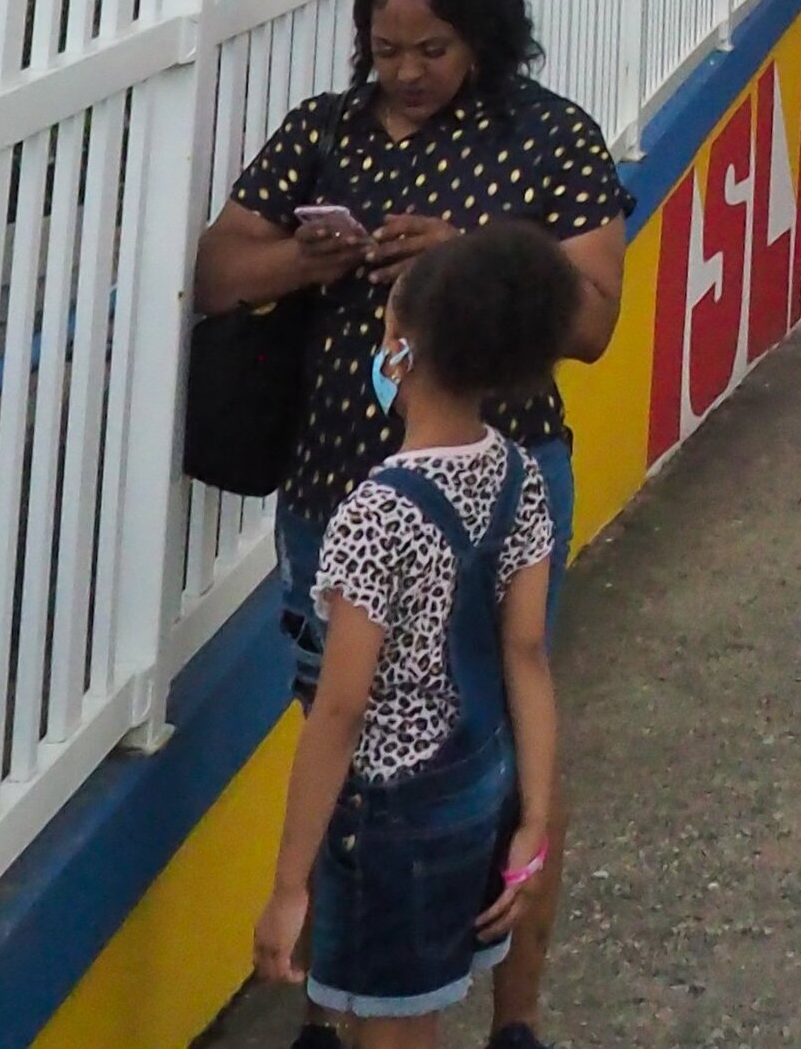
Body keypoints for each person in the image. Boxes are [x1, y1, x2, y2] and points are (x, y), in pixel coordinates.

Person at [195, 0, 628, 1049]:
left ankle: (512, 1011)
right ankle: (350, 1001)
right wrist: (310, 258)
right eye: (384, 49)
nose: (402, 71)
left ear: (482, 36)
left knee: (488, 736)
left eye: (428, 49)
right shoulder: (325, 133)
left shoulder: (551, 137)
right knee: (352, 759)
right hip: (338, 485)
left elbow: (591, 322)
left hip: (500, 477)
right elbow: (219, 268)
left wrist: (468, 254)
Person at [254, 227, 572, 1047]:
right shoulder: (518, 473)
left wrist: (291, 887)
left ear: (402, 351)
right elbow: (526, 655)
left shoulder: (372, 513)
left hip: (390, 822)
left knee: (393, 1026)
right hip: (484, 794)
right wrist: (534, 819)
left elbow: (339, 711)